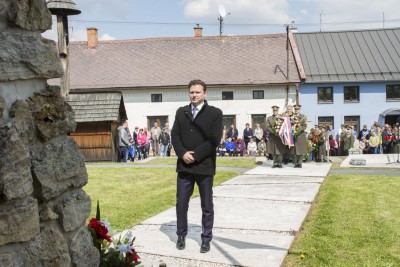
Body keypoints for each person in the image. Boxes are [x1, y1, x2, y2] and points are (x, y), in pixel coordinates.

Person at [171, 79, 223, 254]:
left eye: (197, 92)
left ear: (205, 93)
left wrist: (195, 155)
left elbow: (214, 140)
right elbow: (175, 135)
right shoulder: (181, 112)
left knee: (206, 205)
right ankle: (180, 235)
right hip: (184, 167)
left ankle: (206, 238)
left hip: (204, 166)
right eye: (191, 92)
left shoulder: (215, 113)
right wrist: (182, 153)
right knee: (181, 204)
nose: (194, 95)